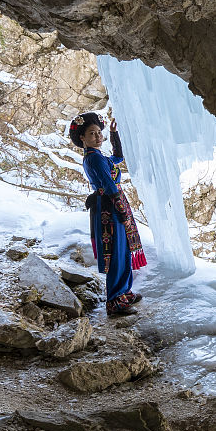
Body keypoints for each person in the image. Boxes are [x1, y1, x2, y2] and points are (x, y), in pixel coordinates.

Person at [68, 112, 146, 316]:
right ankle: (114, 300)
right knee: (117, 252)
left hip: (111, 203)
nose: (97, 137)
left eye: (98, 133)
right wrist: (120, 209)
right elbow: (109, 184)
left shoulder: (98, 156)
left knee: (123, 250)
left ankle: (124, 293)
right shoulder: (94, 159)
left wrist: (113, 134)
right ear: (82, 139)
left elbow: (118, 157)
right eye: (92, 134)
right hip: (109, 206)